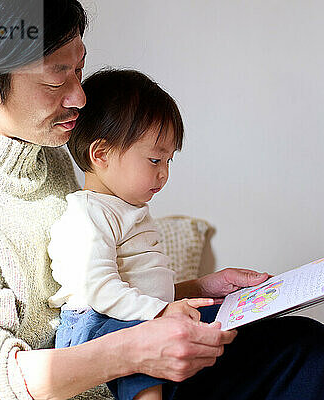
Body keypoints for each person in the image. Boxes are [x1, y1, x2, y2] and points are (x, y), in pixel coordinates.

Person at [0, 0, 324, 399]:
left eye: (79, 71)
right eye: (55, 79)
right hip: (111, 381)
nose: (80, 97)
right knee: (312, 360)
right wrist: (133, 351)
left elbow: (93, 286)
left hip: (127, 368)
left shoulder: (50, 152)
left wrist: (197, 288)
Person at [47, 68, 223, 400]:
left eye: (169, 161)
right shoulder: (89, 214)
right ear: (101, 155)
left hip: (131, 313)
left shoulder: (126, 208)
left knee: (212, 322)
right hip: (96, 324)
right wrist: (158, 312)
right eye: (155, 159)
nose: (164, 174)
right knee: (140, 339)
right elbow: (99, 289)